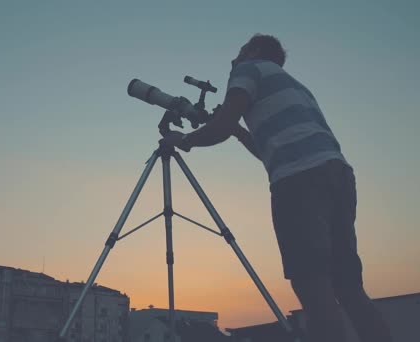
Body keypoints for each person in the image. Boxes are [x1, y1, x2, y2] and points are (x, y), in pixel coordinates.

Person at [161, 34, 393, 342]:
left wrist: (186, 140)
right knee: (347, 284)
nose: (234, 59)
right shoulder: (293, 85)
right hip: (337, 174)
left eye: (240, 51)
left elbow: (221, 127)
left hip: (298, 181)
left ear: (255, 51)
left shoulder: (248, 69)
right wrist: (236, 130)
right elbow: (267, 147)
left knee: (311, 280)